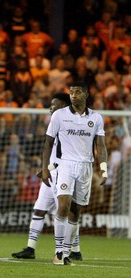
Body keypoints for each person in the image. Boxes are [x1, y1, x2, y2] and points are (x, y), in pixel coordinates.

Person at [42, 81, 107, 266]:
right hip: (65, 166)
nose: (73, 95)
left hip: (86, 167)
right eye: (71, 92)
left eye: (78, 92)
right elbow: (47, 143)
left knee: (75, 212)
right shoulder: (59, 116)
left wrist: (104, 169)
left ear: (86, 95)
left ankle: (67, 252)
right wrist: (45, 168)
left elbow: (100, 145)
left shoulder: (96, 118)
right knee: (63, 206)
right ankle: (59, 252)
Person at [12, 92, 83, 260]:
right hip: (50, 174)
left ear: (64, 107)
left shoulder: (69, 127)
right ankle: (30, 248)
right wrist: (46, 168)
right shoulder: (55, 123)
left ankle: (75, 250)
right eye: (51, 105)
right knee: (39, 209)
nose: (51, 108)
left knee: (67, 211)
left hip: (63, 174)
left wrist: (47, 168)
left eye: (55, 105)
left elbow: (66, 156)